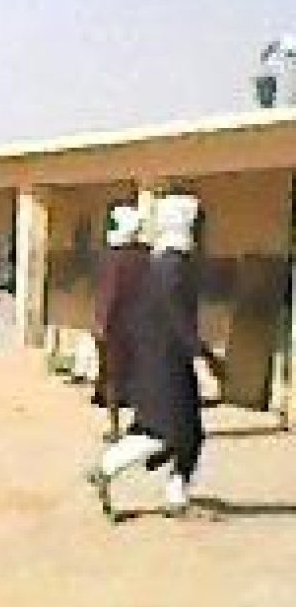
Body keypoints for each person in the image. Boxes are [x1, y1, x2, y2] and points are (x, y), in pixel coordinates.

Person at [87, 194, 223, 522]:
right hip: (162, 362)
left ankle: (176, 494)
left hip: (160, 358)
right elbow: (177, 319)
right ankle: (106, 468)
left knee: (188, 432)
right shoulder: (170, 265)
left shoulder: (167, 261)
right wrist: (202, 358)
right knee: (164, 431)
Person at [92, 203, 149, 442]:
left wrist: (100, 323)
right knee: (140, 375)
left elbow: (110, 293)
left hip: (117, 325)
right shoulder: (147, 255)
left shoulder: (114, 258)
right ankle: (139, 422)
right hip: (142, 322)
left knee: (113, 377)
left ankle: (115, 427)